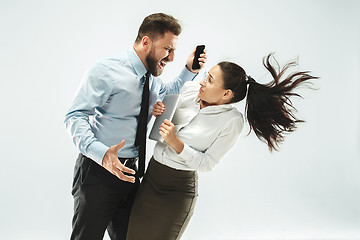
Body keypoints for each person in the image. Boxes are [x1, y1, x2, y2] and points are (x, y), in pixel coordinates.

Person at [126, 53, 318, 240]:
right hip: (151, 180)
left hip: (177, 191)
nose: (202, 82)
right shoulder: (189, 90)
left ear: (227, 94)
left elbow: (208, 163)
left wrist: (178, 144)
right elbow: (157, 115)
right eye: (206, 76)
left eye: (209, 80)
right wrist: (159, 110)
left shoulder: (232, 121)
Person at [64, 13, 207, 240]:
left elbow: (167, 96)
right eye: (167, 49)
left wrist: (189, 70)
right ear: (146, 42)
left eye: (174, 51)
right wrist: (102, 155)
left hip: (132, 173)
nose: (171, 58)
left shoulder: (151, 77)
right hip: (98, 172)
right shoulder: (106, 71)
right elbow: (75, 116)